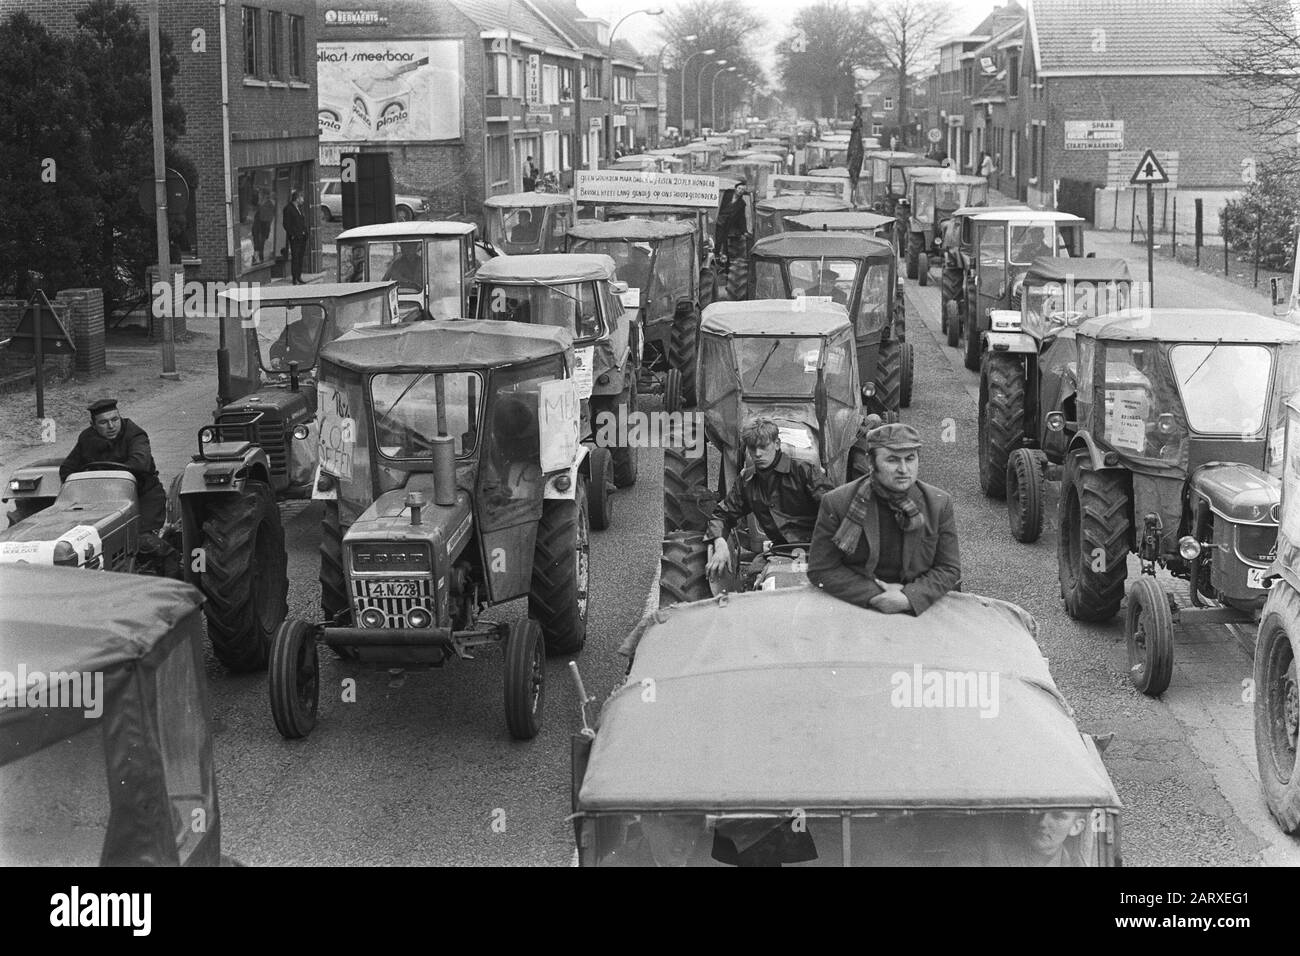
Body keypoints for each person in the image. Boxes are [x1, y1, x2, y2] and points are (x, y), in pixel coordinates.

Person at [807, 422, 960, 615]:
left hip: (918, 607)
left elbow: (949, 568)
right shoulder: (838, 502)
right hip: (859, 604)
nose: (904, 469)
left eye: (910, 459)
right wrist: (876, 595)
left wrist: (908, 597)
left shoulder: (939, 503)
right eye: (893, 460)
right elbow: (821, 569)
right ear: (871, 463)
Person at [705, 417, 835, 582]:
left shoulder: (804, 471)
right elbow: (722, 514)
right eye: (753, 448)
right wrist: (720, 542)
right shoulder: (747, 481)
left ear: (777, 444)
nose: (758, 454)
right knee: (753, 579)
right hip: (781, 551)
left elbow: (834, 509)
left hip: (817, 548)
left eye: (763, 447)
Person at [59, 399, 175, 573]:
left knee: (142, 541)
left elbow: (140, 463)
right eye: (104, 422)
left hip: (142, 496)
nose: (111, 426)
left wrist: (104, 470)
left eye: (115, 419)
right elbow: (67, 469)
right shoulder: (86, 438)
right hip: (100, 500)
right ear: (93, 425)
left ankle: (171, 567)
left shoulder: (135, 435)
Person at [283, 189, 308, 284]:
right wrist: (293, 234)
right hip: (295, 238)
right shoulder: (288, 209)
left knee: (301, 256)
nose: (303, 199)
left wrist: (305, 232)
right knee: (295, 257)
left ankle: (299, 275)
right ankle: (294, 277)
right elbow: (286, 224)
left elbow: (302, 221)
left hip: (302, 237)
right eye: (301, 197)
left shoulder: (299, 209)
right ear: (297, 198)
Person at [253, 190, 276, 263]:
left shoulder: (268, 205)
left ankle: (259, 258)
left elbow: (267, 219)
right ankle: (258, 258)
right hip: (259, 228)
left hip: (262, 228)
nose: (259, 197)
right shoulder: (262, 205)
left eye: (260, 195)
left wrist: (266, 231)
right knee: (258, 243)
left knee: (260, 243)